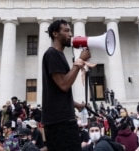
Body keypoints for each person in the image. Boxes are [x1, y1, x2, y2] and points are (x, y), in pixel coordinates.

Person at [42, 19, 90, 151]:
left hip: (61, 121)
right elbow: (64, 85)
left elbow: (58, 92)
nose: (70, 34)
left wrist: (77, 105)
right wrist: (79, 61)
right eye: (66, 30)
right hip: (60, 123)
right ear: (55, 34)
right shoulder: (52, 54)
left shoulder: (59, 55)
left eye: (70, 31)